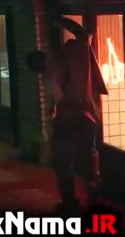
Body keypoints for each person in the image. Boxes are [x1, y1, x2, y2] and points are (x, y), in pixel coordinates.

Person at [45, 21, 108, 214]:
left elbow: (57, 92)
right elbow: (82, 34)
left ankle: (70, 203)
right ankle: (94, 198)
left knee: (64, 162)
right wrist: (61, 19)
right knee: (89, 156)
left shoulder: (56, 60)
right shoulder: (81, 52)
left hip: (67, 116)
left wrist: (55, 19)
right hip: (87, 114)